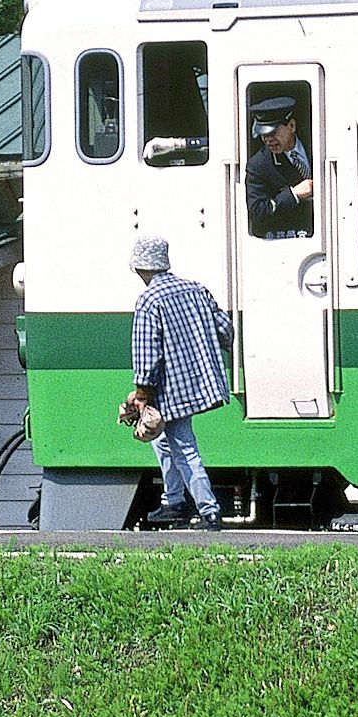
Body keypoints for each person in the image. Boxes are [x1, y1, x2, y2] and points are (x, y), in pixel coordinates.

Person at [125, 236, 233, 531]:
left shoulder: (149, 300)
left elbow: (147, 352)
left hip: (170, 389)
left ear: (139, 267)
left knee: (184, 447)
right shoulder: (196, 289)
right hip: (199, 381)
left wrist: (141, 393)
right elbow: (226, 332)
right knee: (162, 441)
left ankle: (209, 511)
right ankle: (173, 502)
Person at [244, 95, 314, 239]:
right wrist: (294, 194)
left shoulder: (317, 142)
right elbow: (258, 212)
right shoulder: (259, 165)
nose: (268, 140)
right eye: (263, 134)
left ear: (292, 126)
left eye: (273, 132)